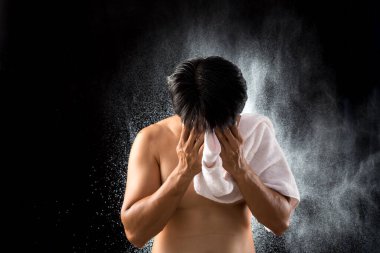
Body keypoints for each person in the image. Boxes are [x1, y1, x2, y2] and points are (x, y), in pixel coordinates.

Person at [120, 56, 299, 252]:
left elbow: (280, 222)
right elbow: (136, 234)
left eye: (218, 122)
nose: (209, 132)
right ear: (183, 112)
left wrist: (240, 169)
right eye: (200, 123)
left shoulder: (253, 136)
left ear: (236, 111)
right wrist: (183, 172)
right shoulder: (152, 140)